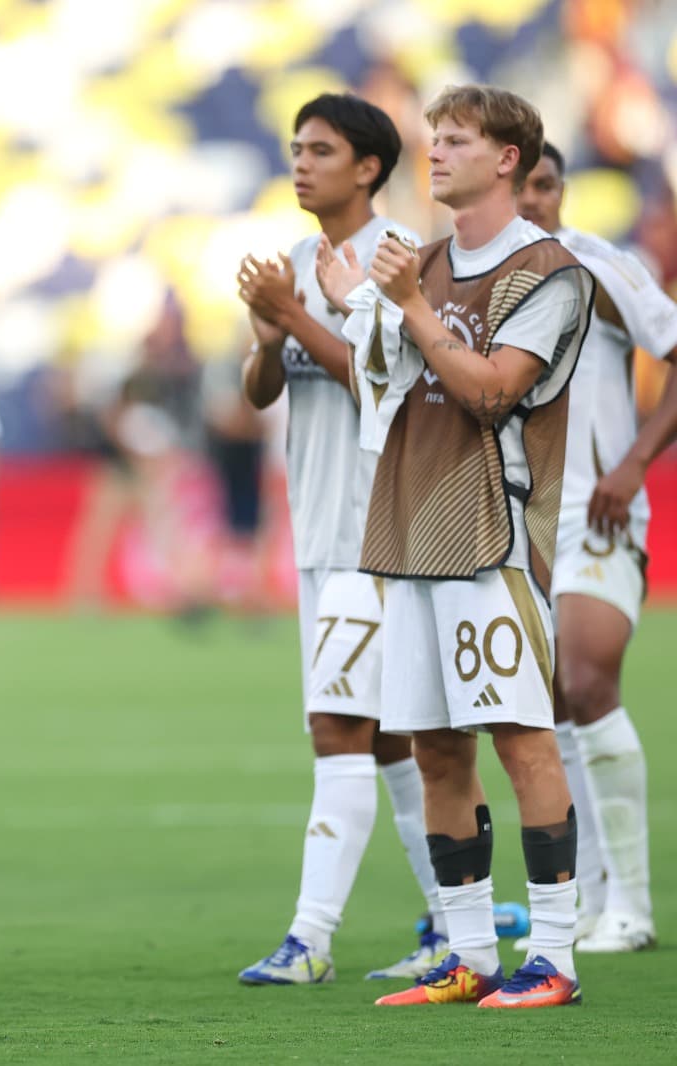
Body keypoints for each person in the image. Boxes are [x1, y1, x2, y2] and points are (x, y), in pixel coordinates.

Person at [319, 85, 593, 1009]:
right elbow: (387, 393)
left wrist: (405, 306)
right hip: (406, 527)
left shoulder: (548, 271)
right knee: (435, 748)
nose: (432, 153)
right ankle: (468, 952)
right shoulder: (422, 260)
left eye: (456, 140)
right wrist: (357, 315)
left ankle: (553, 956)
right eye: (432, 138)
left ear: (508, 157)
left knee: (522, 742)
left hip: (491, 532)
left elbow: (488, 394)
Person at [235, 93, 448, 985]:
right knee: (389, 738)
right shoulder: (293, 259)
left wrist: (301, 314)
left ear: (368, 167)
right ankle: (453, 922)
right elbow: (258, 393)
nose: (301, 162)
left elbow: (383, 392)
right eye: (295, 148)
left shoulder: (399, 261)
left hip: (378, 529)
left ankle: (309, 940)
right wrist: (266, 331)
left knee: (337, 726)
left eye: (320, 149)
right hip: (318, 531)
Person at [518, 142, 677, 953]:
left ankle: (634, 910)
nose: (539, 199)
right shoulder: (473, 280)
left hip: (597, 515)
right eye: (527, 186)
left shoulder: (594, 266)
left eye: (550, 184)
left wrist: (634, 462)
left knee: (587, 683)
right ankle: (584, 900)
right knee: (545, 710)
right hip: (516, 530)